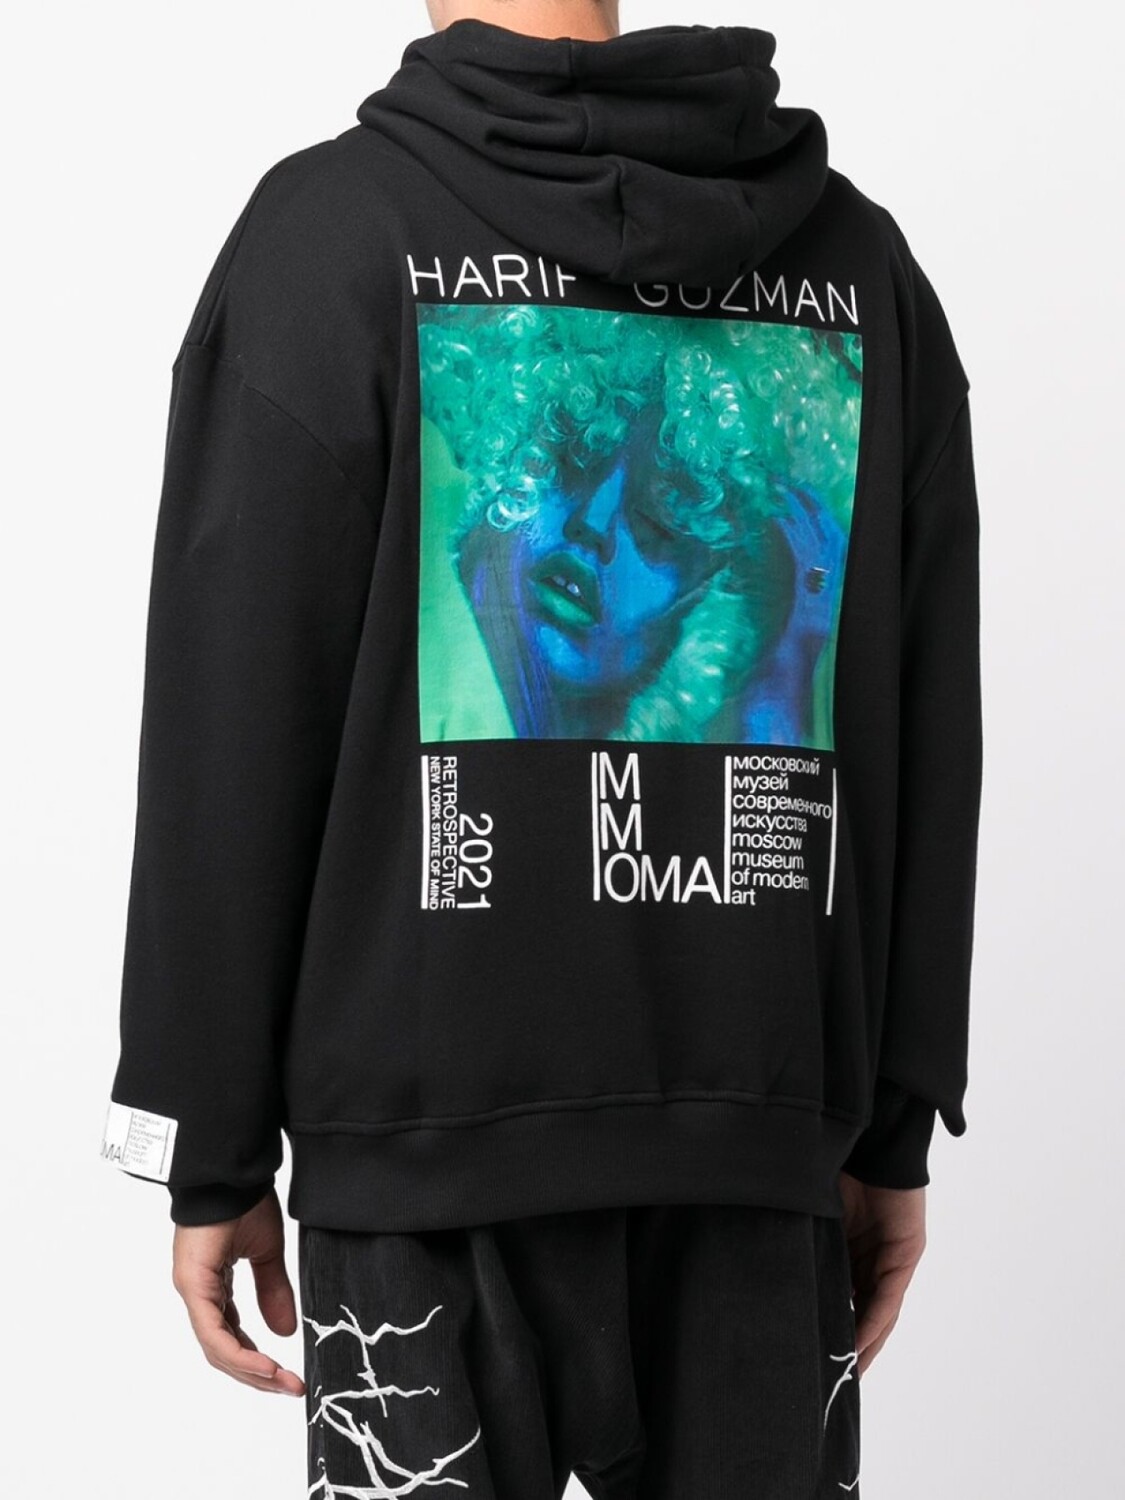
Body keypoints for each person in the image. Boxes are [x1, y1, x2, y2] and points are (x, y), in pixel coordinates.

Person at [99, 0, 983, 1493]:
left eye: (677, 510)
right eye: (560, 465)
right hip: (757, 1146)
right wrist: (892, 1120)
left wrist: (206, 1137)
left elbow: (232, 698)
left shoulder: (331, 237)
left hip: (422, 1155)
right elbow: (924, 723)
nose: (584, 541)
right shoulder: (859, 268)